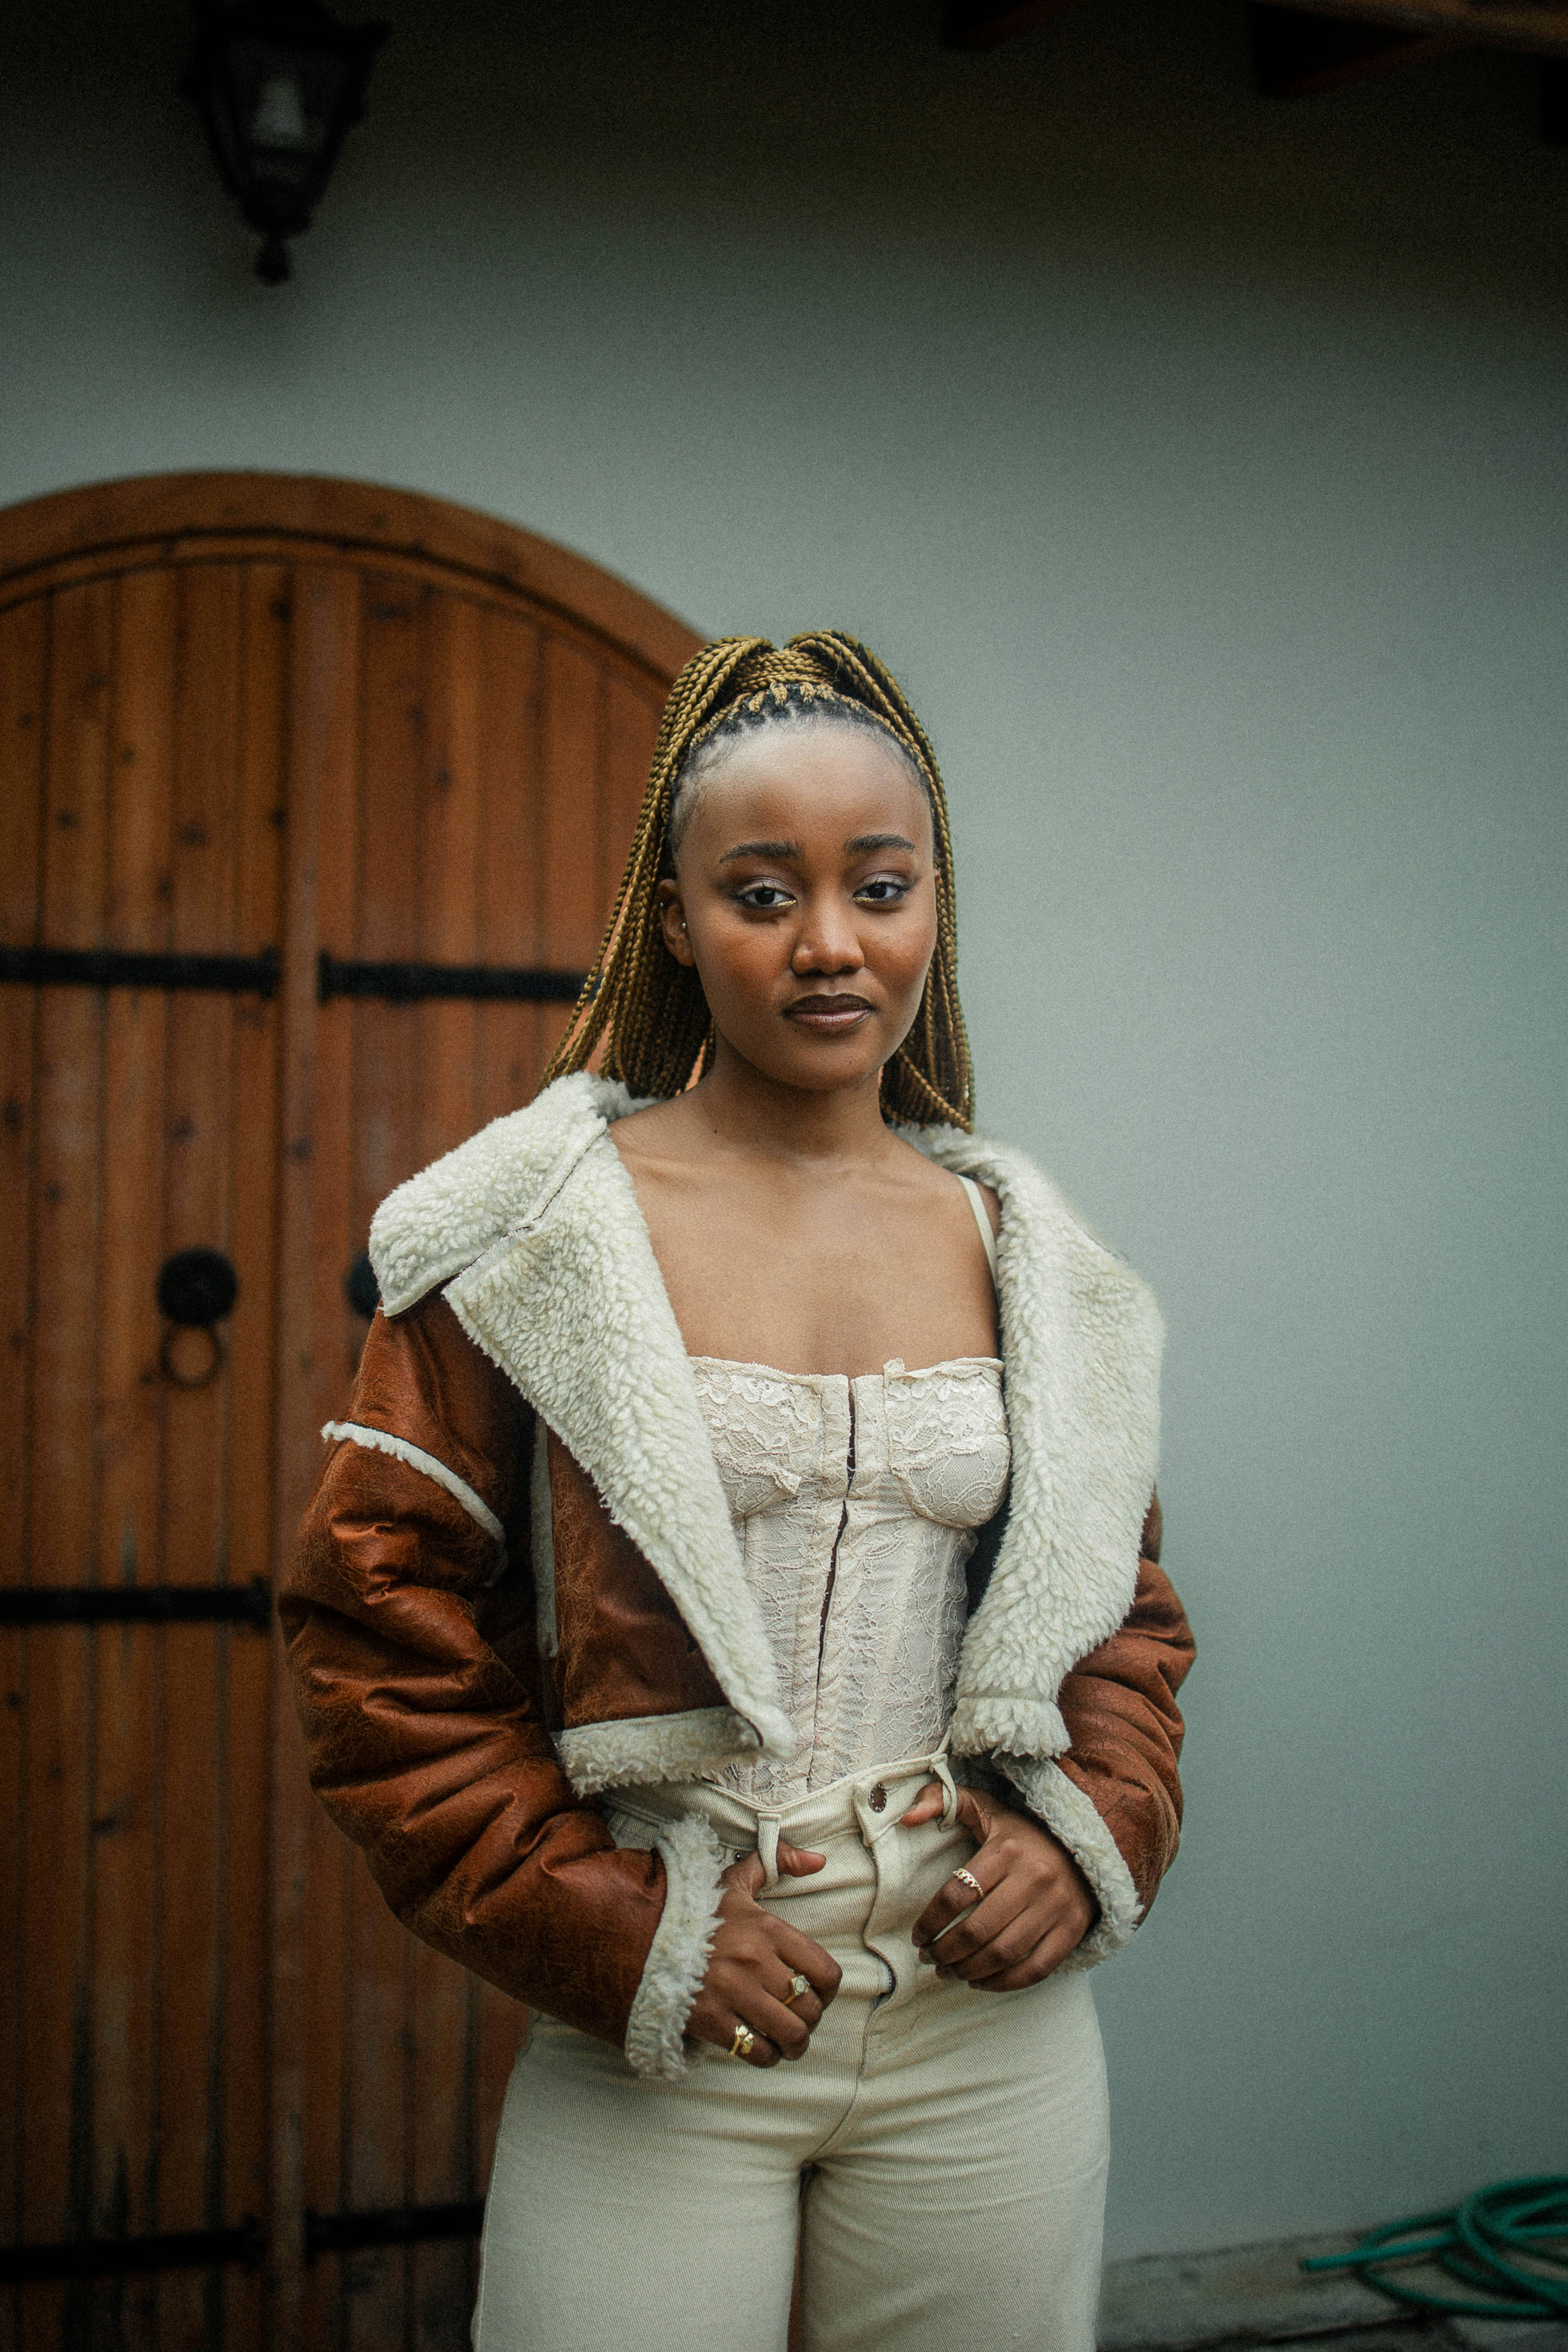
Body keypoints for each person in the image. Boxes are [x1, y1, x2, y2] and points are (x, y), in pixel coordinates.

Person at [281, 631, 1194, 2352]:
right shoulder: (529, 1243)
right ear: (676, 918)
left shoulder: (1039, 1262)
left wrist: (1089, 1832)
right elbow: (369, 1636)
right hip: (669, 2009)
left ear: (932, 906)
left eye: (879, 886)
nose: (828, 941)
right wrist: (623, 1932)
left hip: (984, 2025)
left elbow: (1121, 1618)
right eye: (762, 893)